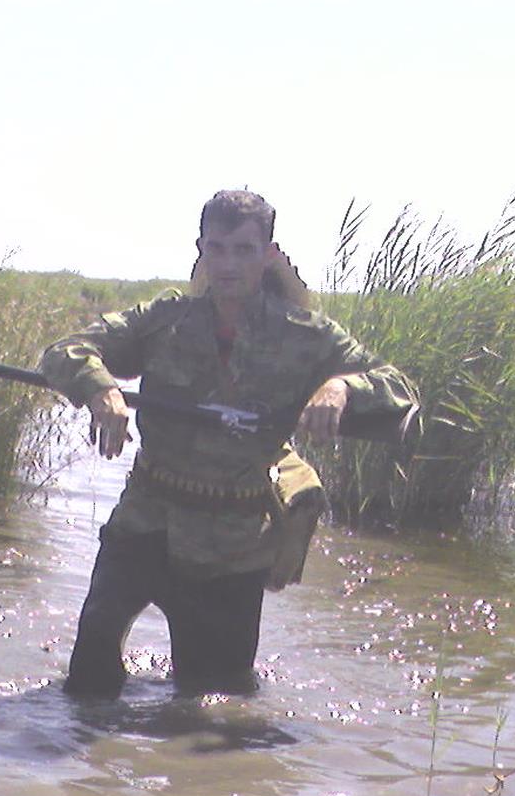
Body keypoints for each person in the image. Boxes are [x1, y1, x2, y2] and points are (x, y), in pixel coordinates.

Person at [39, 189, 416, 698]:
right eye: (216, 249)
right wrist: (100, 388)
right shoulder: (166, 318)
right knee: (87, 683)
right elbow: (66, 351)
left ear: (268, 255)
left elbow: (397, 387)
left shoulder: (306, 335)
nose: (228, 264)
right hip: (144, 522)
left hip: (232, 546)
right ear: (201, 249)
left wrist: (341, 387)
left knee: (216, 704)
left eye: (243, 250)